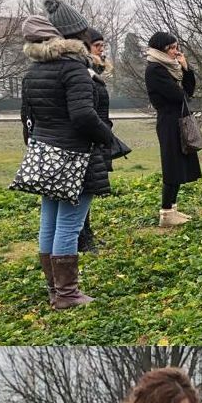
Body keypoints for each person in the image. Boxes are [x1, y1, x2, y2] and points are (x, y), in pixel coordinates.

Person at [19, 0, 114, 309]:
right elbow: (84, 116)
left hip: (46, 154)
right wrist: (108, 138)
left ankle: (54, 289)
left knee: (49, 221)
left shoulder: (34, 70)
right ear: (75, 35)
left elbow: (28, 118)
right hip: (76, 156)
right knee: (69, 225)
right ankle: (68, 294)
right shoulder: (74, 68)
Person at [145, 31, 200, 228]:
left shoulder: (171, 68)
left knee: (179, 164)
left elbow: (189, 91)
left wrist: (186, 69)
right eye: (172, 48)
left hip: (178, 119)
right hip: (169, 122)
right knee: (171, 165)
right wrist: (182, 80)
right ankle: (166, 212)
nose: (176, 52)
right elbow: (180, 95)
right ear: (162, 49)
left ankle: (173, 209)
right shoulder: (155, 69)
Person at [77, 27, 114, 253]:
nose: (102, 49)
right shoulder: (84, 73)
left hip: (99, 136)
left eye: (103, 45)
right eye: (97, 45)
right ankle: (81, 237)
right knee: (83, 189)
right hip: (91, 137)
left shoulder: (94, 71)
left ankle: (86, 233)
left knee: (88, 189)